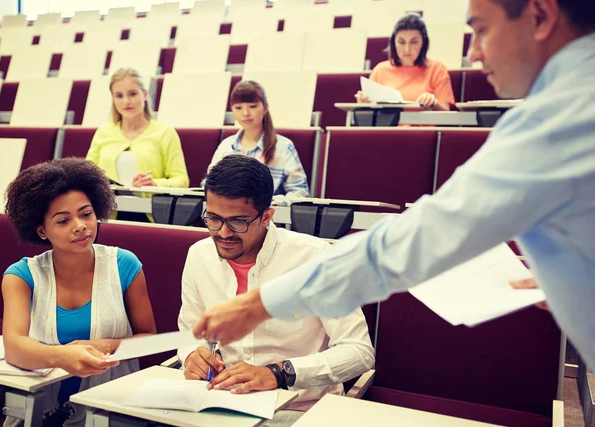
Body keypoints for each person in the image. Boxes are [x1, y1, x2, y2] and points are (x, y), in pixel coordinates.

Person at [192, 0, 595, 372]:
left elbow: (418, 240)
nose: (473, 53)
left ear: (540, 16)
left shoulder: (562, 117)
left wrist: (260, 304)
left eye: (482, 30)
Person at [178, 155, 374, 426]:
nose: (223, 233)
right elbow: (189, 331)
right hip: (224, 403)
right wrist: (192, 354)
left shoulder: (316, 259)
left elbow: (359, 351)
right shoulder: (199, 256)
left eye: (237, 222)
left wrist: (281, 373)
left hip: (302, 410)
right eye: (213, 218)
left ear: (267, 216)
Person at [2, 158, 157, 426]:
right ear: (41, 230)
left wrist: (103, 347)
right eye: (63, 221)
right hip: (39, 405)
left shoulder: (125, 264)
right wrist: (63, 355)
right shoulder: (21, 275)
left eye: (86, 214)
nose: (80, 226)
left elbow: (148, 338)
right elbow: (14, 348)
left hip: (110, 406)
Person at [86, 67, 189, 221]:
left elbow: (182, 181)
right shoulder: (103, 132)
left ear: (145, 94)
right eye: (119, 96)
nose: (126, 101)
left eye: (132, 94)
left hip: (152, 215)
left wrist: (155, 183)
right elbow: (86, 175)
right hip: (108, 216)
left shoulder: (165, 132)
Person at [204, 80, 310, 197]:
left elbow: (301, 193)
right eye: (238, 108)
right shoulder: (226, 146)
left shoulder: (283, 146)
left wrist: (273, 203)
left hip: (269, 213)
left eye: (252, 106)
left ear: (265, 108)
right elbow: (208, 185)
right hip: (228, 212)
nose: (245, 113)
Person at [356, 13, 455, 110]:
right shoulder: (380, 70)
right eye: (401, 42)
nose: (407, 49)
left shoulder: (437, 69)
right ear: (394, 42)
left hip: (424, 126)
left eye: (414, 42)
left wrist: (433, 103)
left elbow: (446, 113)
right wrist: (363, 104)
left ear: (423, 42)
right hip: (388, 126)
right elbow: (368, 114)